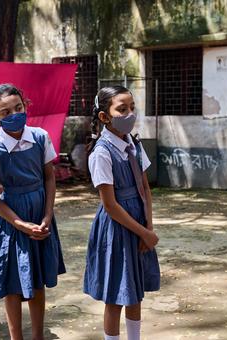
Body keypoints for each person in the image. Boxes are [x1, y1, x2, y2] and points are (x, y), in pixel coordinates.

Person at [0, 84, 66, 340]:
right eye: (5, 112)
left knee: (37, 280)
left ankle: (37, 336)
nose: (14, 114)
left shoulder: (40, 137)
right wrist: (19, 224)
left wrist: (47, 216)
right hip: (12, 221)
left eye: (18, 108)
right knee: (12, 285)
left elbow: (49, 178)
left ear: (25, 105)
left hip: (41, 215)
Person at [84, 86, 161, 340]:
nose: (129, 114)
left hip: (139, 222)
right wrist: (142, 232)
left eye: (132, 108)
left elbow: (145, 188)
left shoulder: (135, 145)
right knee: (116, 294)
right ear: (105, 117)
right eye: (122, 109)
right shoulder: (102, 153)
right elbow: (110, 205)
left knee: (135, 290)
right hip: (117, 227)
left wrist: (148, 228)